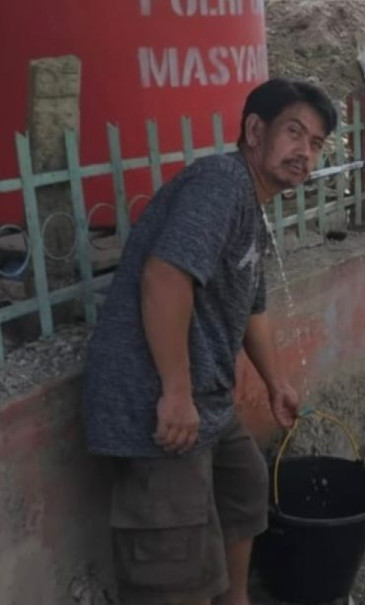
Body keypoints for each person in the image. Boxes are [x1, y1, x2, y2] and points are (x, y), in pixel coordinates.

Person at [82, 78, 337, 604]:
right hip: (154, 401)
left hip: (208, 400)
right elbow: (165, 276)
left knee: (243, 490)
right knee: (175, 568)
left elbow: (253, 311)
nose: (305, 152)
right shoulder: (220, 182)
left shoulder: (252, 208)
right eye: (294, 132)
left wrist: (276, 383)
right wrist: (174, 392)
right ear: (252, 130)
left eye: (315, 143)